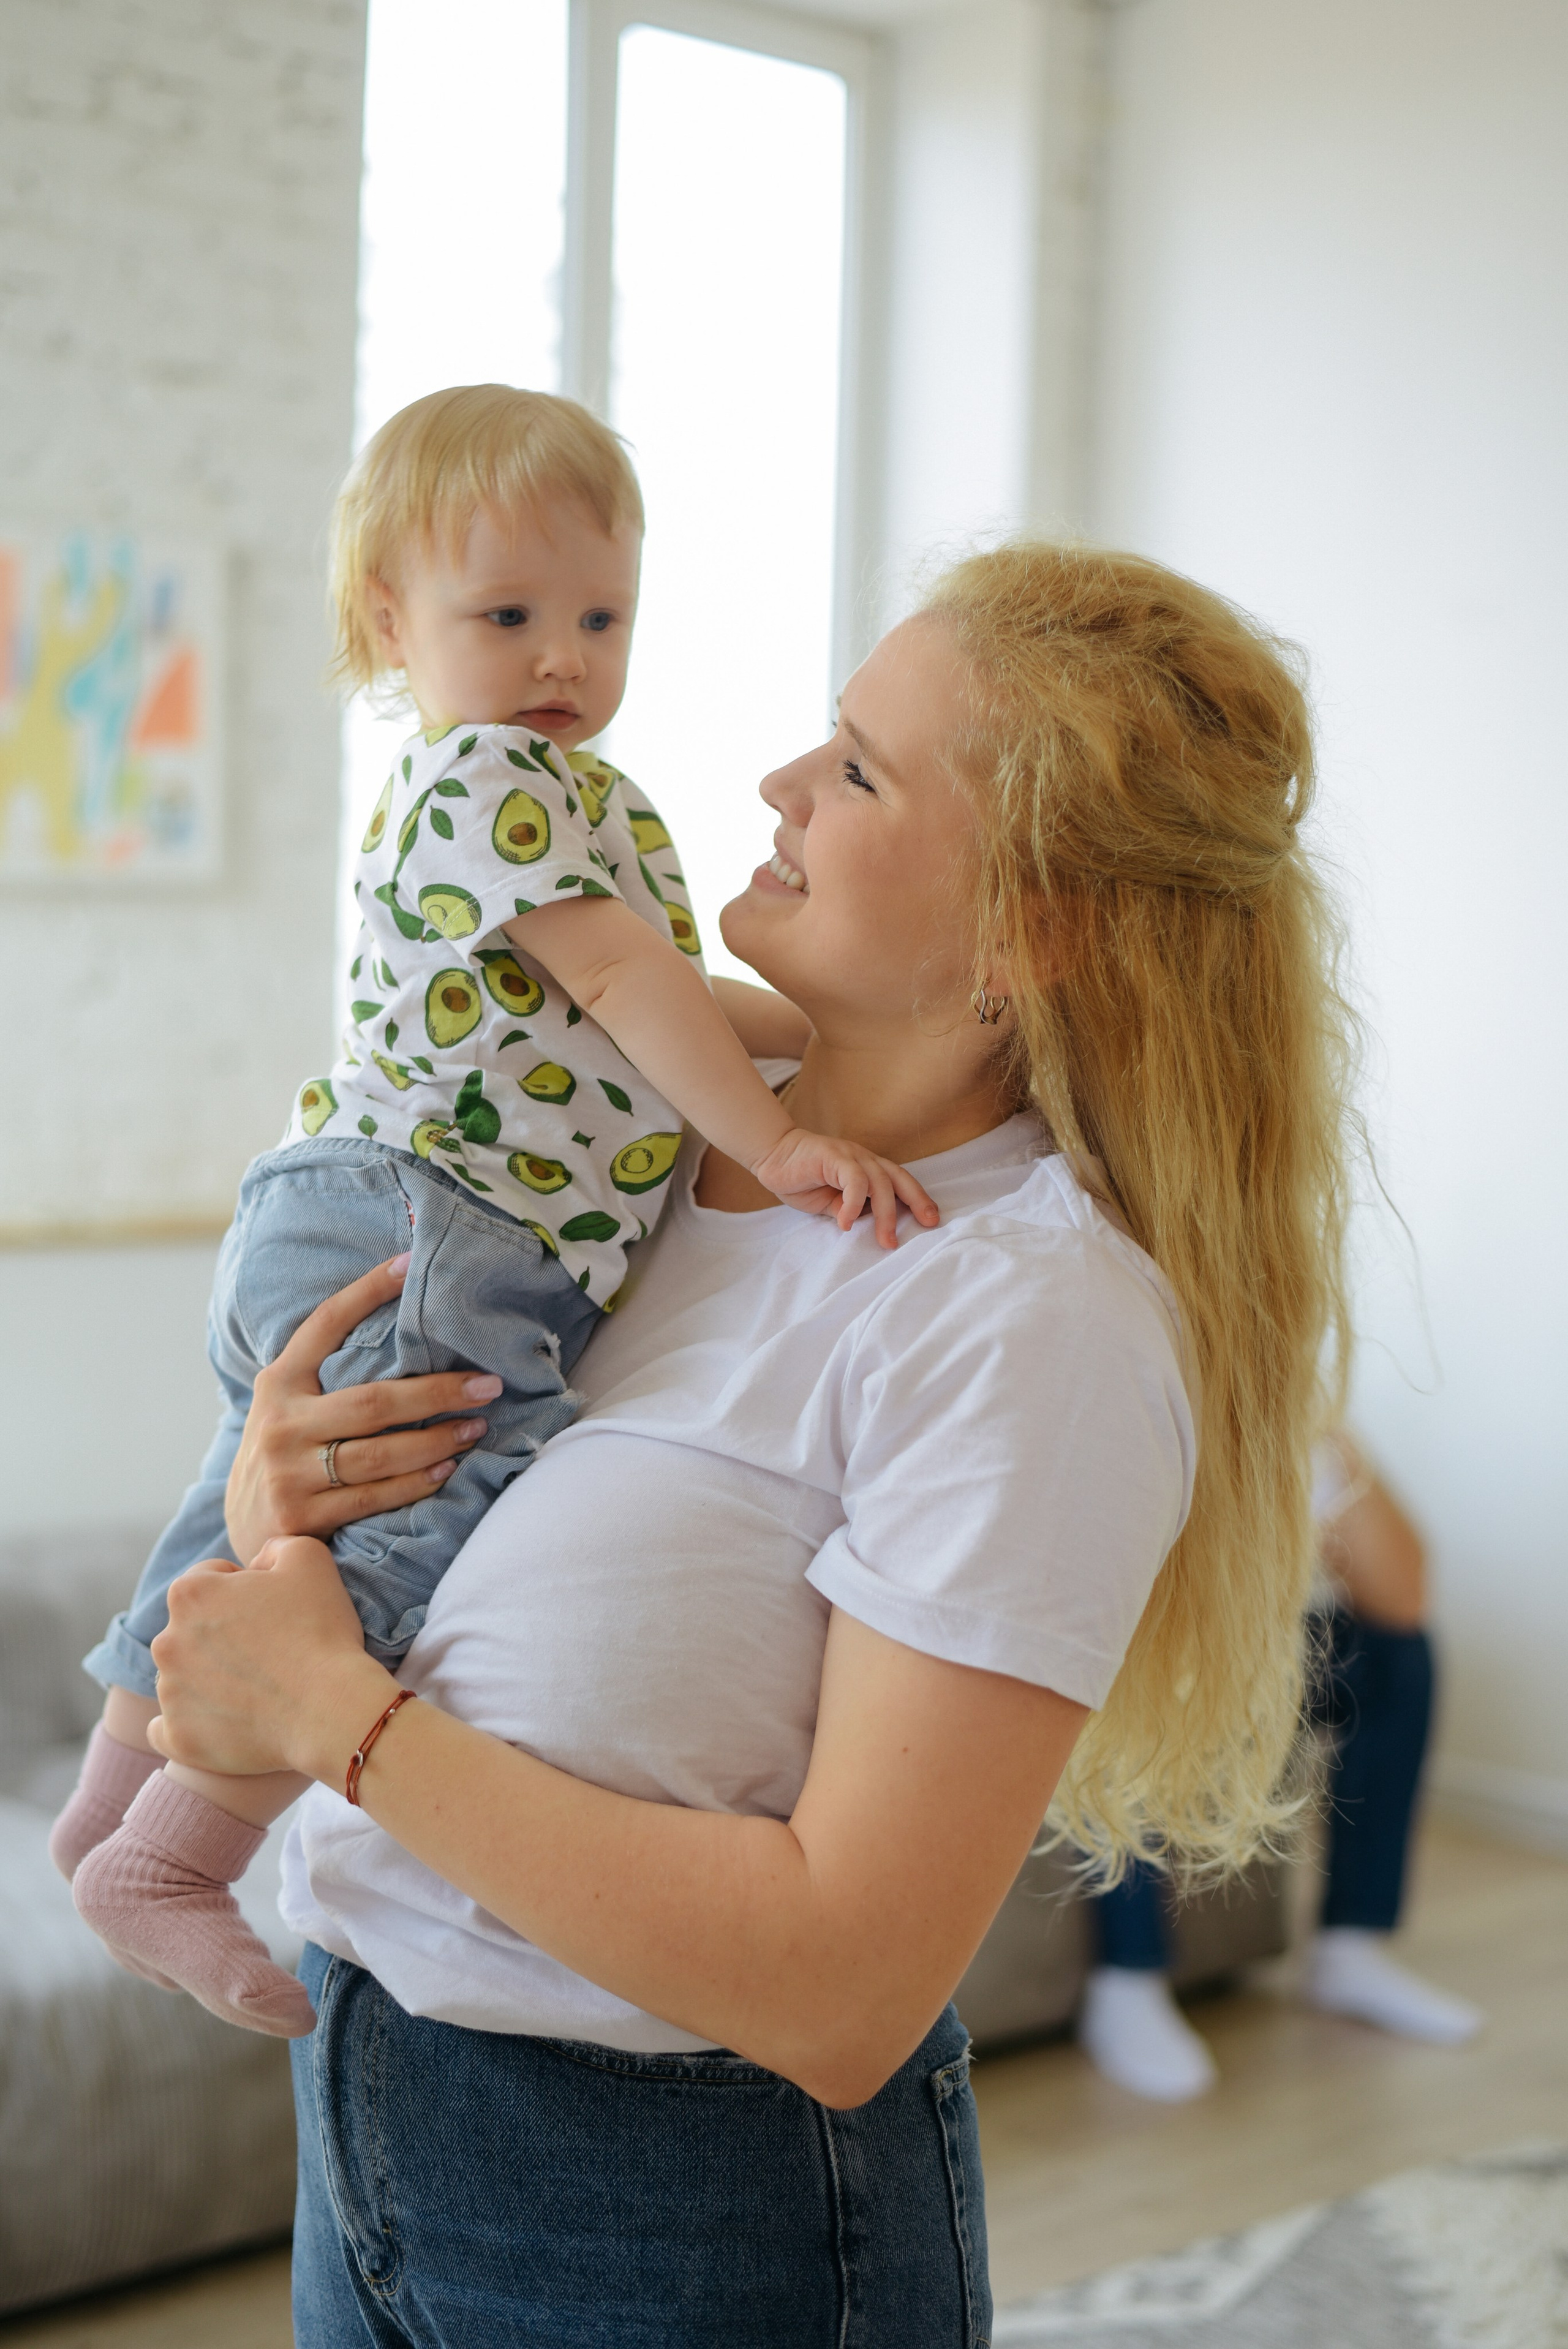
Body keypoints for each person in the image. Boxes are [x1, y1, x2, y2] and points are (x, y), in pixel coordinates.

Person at [141, 543, 1355, 2347]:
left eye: (856, 769)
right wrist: (285, 1498)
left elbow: (844, 1983)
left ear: (1029, 934)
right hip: (369, 2097)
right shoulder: (616, 1135)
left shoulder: (1028, 1314)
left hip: (687, 2211)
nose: (779, 785)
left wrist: (339, 1718)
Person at [51, 384, 933, 2038]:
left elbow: (659, 987)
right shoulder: (493, 776)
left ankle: (104, 1820)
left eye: (601, 617)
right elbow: (627, 988)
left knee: (249, 1520)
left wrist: (826, 1042)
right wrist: (779, 1138)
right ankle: (176, 1851)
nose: (561, 658)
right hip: (440, 1215)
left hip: (361, 1204)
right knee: (419, 1504)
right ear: (392, 621)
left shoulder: (542, 794)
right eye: (508, 615)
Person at [1079, 1431, 1483, 2102]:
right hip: (1130, 1651)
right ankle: (1127, 1978)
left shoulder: (1270, 1416)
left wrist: (1325, 1433)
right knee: (1124, 1676)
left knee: (1395, 1656)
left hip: (1234, 1659)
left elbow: (1404, 1595)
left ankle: (1350, 1949)